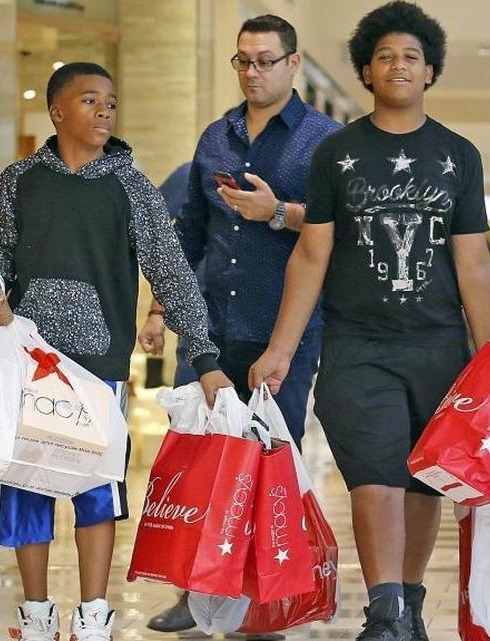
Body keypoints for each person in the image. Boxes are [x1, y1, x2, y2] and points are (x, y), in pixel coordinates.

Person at [249, 3, 490, 639]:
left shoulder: (459, 155)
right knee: (374, 472)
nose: (397, 66)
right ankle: (384, 609)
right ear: (365, 70)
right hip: (357, 344)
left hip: (439, 345)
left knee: (423, 482)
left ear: (430, 71)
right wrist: (281, 349)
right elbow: (312, 251)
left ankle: (409, 604)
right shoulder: (337, 154)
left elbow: (472, 261)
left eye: (410, 57)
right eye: (385, 56)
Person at [0, 62, 229, 641]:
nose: (104, 111)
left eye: (111, 103)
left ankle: (94, 614)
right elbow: (1, 255)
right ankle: (36, 617)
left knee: (97, 491)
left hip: (100, 368)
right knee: (26, 491)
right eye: (90, 101)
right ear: (57, 111)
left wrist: (206, 358)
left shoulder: (131, 186)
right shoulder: (20, 181)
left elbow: (171, 273)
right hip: (28, 363)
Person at [138, 15, 340, 637]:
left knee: (267, 461)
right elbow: (189, 232)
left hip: (284, 328)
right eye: (243, 61)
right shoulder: (215, 138)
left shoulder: (324, 142)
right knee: (196, 457)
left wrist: (277, 212)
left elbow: (344, 232)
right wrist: (159, 307)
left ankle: (260, 600)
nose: (252, 72)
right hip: (208, 325)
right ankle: (192, 592)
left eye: (264, 60)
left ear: (293, 64)